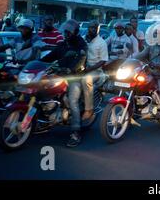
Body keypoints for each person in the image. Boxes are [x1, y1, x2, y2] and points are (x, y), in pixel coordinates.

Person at [41, 19, 88, 147]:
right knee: (42, 88)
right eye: (65, 31)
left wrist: (71, 69)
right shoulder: (63, 44)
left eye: (68, 32)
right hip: (60, 73)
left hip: (74, 76)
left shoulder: (81, 44)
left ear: (75, 32)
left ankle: (75, 132)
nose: (66, 34)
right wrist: (39, 62)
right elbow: (51, 55)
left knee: (72, 101)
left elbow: (81, 59)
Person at [133, 24, 160, 135]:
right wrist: (129, 59)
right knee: (134, 84)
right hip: (150, 74)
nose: (159, 35)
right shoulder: (151, 46)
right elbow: (141, 55)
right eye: (157, 33)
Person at [81, 20, 109, 122]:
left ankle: (89, 109)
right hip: (82, 68)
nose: (91, 29)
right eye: (90, 27)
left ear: (98, 29)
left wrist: (89, 69)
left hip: (96, 71)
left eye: (94, 27)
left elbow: (103, 61)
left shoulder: (102, 43)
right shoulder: (84, 39)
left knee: (86, 80)